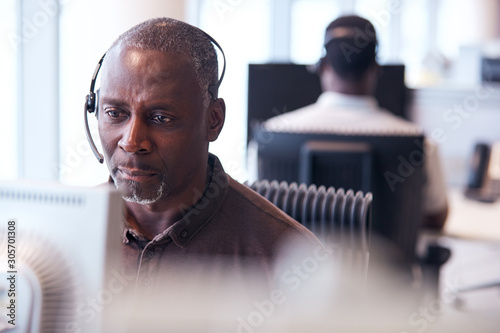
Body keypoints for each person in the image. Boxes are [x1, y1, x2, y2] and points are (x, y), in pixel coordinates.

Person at [92, 17, 325, 294]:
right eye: (115, 113)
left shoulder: (289, 260)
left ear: (213, 121)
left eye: (160, 118)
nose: (132, 142)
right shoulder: (58, 232)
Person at [260, 15, 448, 230]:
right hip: (384, 264)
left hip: (294, 263)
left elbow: (258, 208)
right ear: (376, 69)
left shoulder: (270, 133)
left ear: (322, 66)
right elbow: (436, 218)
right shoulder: (420, 144)